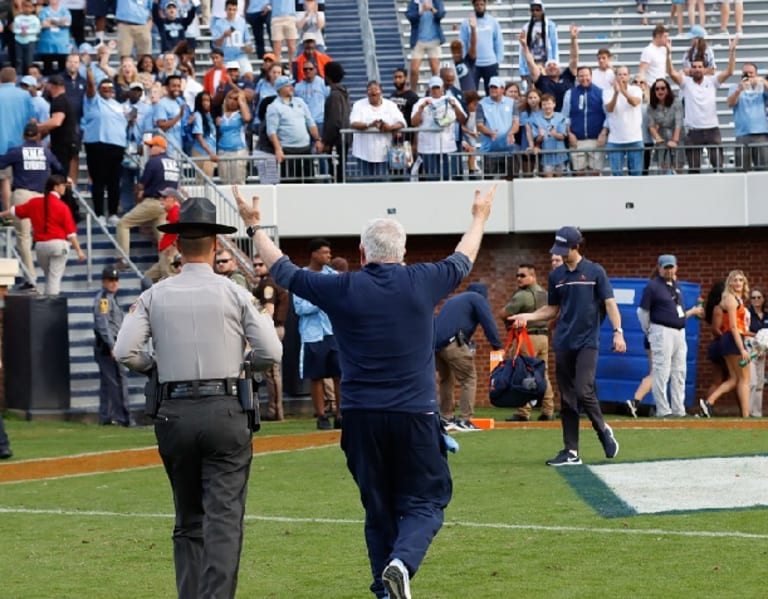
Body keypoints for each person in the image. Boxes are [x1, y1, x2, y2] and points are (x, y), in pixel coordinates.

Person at [233, 181, 497, 599]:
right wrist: (479, 215)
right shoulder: (423, 280)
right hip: (414, 415)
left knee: (378, 509)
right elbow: (464, 258)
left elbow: (282, 270)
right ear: (403, 252)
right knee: (428, 501)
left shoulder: (343, 286)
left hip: (360, 417)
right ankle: (401, 563)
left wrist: (253, 227)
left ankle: (385, 588)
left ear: (361, 254)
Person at [114, 196, 282, 599]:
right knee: (223, 520)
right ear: (216, 245)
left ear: (176, 246)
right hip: (225, 407)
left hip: (174, 411)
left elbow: (125, 352)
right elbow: (271, 353)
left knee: (188, 519)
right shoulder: (235, 293)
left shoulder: (155, 294)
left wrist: (159, 366)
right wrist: (242, 362)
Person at [509, 226, 624, 467]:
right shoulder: (556, 276)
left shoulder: (595, 272)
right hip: (563, 343)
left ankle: (602, 429)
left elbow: (610, 304)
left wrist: (618, 333)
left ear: (576, 247)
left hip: (588, 343)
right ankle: (571, 452)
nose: (559, 254)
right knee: (568, 399)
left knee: (584, 390)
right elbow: (552, 310)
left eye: (564, 249)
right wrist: (527, 317)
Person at [636, 255, 703, 418]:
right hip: (662, 330)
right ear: (659, 268)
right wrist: (649, 330)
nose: (669, 270)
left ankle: (678, 409)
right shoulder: (652, 287)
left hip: (679, 332)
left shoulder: (676, 286)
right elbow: (642, 312)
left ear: (676, 267)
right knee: (662, 370)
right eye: (666, 267)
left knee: (680, 371)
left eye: (671, 267)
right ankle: (663, 410)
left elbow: (677, 311)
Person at [0, 173, 85, 295]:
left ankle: (46, 301)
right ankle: (50, 306)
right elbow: (71, 233)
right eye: (62, 185)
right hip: (58, 245)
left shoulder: (34, 203)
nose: (64, 188)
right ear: (55, 187)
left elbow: (14, 211)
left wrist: (1, 214)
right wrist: (79, 251)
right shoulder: (62, 206)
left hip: (41, 246)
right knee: (54, 279)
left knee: (49, 277)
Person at [435, 282, 502, 431]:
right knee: (469, 378)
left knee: (446, 379)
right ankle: (465, 420)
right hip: (453, 343)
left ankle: (446, 418)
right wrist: (497, 346)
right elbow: (488, 323)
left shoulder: (454, 299)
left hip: (435, 346)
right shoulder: (477, 299)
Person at [290, 237, 342, 430]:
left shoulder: (333, 275)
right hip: (312, 334)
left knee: (340, 374)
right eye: (325, 252)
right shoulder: (301, 277)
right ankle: (321, 416)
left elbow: (340, 300)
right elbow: (300, 308)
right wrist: (322, 301)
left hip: (333, 332)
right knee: (316, 376)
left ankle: (341, 414)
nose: (329, 256)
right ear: (314, 254)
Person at [667, 36, 737, 174]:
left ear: (705, 69)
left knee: (718, 167)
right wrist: (668, 54)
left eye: (700, 67)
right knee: (694, 169)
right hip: (693, 131)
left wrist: (732, 52)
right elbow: (670, 72)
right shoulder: (686, 83)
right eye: (694, 67)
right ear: (691, 69)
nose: (697, 69)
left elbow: (730, 72)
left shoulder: (712, 81)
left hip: (712, 129)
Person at [503, 263, 555, 422]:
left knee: (523, 372)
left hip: (527, 337)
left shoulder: (522, 295)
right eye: (517, 275)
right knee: (542, 373)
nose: (518, 278)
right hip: (543, 337)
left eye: (522, 275)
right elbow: (553, 315)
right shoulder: (545, 293)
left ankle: (523, 411)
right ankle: (548, 410)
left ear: (533, 276)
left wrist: (510, 328)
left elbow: (504, 313)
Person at [116, 135, 177, 265]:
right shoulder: (173, 162)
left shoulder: (153, 162)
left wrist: (140, 191)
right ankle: (169, 262)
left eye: (152, 146)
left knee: (123, 224)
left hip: (154, 201)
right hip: (167, 204)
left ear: (161, 148)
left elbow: (142, 184)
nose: (150, 149)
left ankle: (123, 259)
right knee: (162, 236)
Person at [699, 269, 752, 418]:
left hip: (733, 338)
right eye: (734, 280)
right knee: (744, 379)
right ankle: (746, 416)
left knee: (735, 379)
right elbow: (733, 326)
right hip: (732, 339)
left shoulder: (738, 299)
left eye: (741, 280)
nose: (738, 283)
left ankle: (709, 402)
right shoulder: (730, 299)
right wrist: (742, 349)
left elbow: (740, 327)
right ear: (729, 283)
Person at [82, 68, 128, 224]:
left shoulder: (118, 105)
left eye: (110, 88)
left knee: (114, 181)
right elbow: (90, 87)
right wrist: (89, 72)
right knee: (99, 181)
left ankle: (113, 213)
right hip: (97, 143)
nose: (107, 91)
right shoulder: (93, 101)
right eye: (104, 88)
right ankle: (100, 213)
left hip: (117, 145)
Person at [93, 265, 132, 426]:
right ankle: (123, 418)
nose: (114, 283)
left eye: (116, 280)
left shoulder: (110, 298)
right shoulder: (104, 299)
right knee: (117, 381)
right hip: (108, 347)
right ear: (104, 281)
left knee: (107, 383)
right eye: (110, 280)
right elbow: (103, 324)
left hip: (108, 345)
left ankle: (105, 417)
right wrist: (112, 346)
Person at [252, 254, 289, 420]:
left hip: (272, 328)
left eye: (261, 264)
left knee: (272, 373)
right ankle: (276, 410)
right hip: (276, 327)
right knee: (272, 372)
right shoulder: (272, 281)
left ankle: (275, 410)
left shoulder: (268, 283)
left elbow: (269, 310)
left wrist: (256, 321)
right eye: (255, 265)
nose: (257, 267)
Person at [410, 76, 466, 181]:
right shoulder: (420, 102)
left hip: (447, 147)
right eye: (433, 88)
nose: (435, 90)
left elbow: (463, 120)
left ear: (442, 88)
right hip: (427, 149)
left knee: (449, 179)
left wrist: (455, 107)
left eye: (437, 87)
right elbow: (414, 122)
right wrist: (421, 108)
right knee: (432, 181)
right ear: (429, 89)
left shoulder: (451, 99)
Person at [265, 75, 319, 181]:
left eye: (291, 85)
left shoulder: (300, 102)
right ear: (280, 89)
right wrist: (278, 149)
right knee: (290, 183)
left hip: (305, 149)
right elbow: (272, 131)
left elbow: (310, 122)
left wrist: (317, 139)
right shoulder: (274, 107)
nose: (291, 87)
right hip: (288, 150)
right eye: (287, 86)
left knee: (310, 181)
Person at [350, 80, 406, 180]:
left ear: (381, 91)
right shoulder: (358, 105)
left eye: (376, 89)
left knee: (382, 186)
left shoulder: (390, 105)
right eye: (370, 90)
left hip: (383, 154)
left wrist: (390, 127)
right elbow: (353, 123)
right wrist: (369, 124)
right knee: (365, 186)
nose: (373, 92)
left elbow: (401, 122)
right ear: (367, 93)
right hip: (363, 153)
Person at [518, 24, 577, 112]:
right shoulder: (542, 80)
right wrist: (525, 46)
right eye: (549, 65)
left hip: (567, 116)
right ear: (545, 70)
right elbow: (530, 63)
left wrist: (573, 39)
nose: (552, 67)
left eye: (554, 65)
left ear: (560, 69)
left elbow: (574, 58)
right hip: (546, 117)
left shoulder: (568, 76)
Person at [562, 66, 608, 177]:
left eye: (586, 75)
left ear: (591, 76)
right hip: (577, 140)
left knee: (595, 173)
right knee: (579, 173)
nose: (584, 78)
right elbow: (565, 116)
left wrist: (603, 133)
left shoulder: (601, 93)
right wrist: (569, 134)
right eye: (581, 76)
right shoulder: (570, 93)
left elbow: (608, 115)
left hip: (596, 139)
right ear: (577, 78)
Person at [727, 62, 768, 171]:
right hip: (742, 134)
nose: (748, 75)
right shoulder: (735, 87)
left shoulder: (762, 88)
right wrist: (738, 90)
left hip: (760, 134)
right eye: (746, 73)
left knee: (763, 170)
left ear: (756, 74)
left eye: (751, 73)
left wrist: (764, 82)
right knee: (742, 170)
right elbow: (730, 104)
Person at [603, 65, 643, 176]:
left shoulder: (636, 89)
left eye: (625, 74)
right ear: (615, 76)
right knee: (616, 175)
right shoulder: (608, 92)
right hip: (615, 140)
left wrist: (623, 90)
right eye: (619, 74)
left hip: (634, 138)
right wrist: (616, 93)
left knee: (636, 174)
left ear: (629, 76)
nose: (622, 77)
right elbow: (609, 109)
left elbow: (634, 102)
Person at [476, 76, 518, 179]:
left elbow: (516, 123)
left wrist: (511, 133)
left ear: (502, 89)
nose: (493, 90)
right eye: (491, 87)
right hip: (489, 151)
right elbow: (479, 125)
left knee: (510, 182)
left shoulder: (512, 103)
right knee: (489, 183)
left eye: (495, 87)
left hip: (508, 150)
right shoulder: (481, 104)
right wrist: (490, 133)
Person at [459, 0, 503, 94]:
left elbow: (498, 42)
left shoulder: (493, 21)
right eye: (477, 5)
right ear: (474, 6)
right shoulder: (466, 23)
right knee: (471, 93)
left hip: (490, 63)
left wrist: (498, 61)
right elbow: (463, 42)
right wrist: (464, 62)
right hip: (473, 65)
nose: (479, 7)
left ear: (485, 5)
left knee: (492, 94)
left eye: (482, 4)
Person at [144, 186, 184, 282]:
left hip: (169, 255)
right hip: (165, 254)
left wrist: (173, 246)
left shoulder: (176, 211)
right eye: (161, 197)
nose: (161, 200)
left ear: (173, 199)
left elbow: (182, 229)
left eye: (165, 198)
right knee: (146, 278)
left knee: (171, 281)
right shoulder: (172, 212)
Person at [405, 0, 445, 92]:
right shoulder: (415, 2)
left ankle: (437, 92)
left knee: (435, 70)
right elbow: (410, 17)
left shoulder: (436, 1)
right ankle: (413, 92)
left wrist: (432, 8)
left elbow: (441, 14)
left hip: (434, 40)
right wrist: (421, 11)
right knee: (414, 70)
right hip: (418, 40)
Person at [319, 61, 350, 182]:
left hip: (336, 142)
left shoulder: (334, 96)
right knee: (340, 172)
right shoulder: (343, 93)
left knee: (336, 174)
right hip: (343, 140)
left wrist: (327, 142)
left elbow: (334, 122)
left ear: (327, 77)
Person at [647, 78, 684, 174]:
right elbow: (651, 125)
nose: (660, 91)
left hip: (677, 135)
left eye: (663, 88)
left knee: (677, 167)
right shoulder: (651, 106)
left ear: (667, 90)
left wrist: (675, 141)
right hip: (662, 136)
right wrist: (657, 137)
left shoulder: (676, 102)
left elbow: (678, 122)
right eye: (657, 89)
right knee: (663, 168)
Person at [519, 1, 558, 87]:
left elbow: (554, 46)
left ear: (542, 11)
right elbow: (522, 49)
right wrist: (522, 69)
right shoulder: (526, 27)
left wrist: (555, 64)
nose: (535, 12)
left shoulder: (550, 26)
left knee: (547, 87)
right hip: (531, 62)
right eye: (533, 10)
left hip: (545, 63)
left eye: (537, 10)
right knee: (532, 89)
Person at [217, 87, 252, 183]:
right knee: (224, 180)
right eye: (230, 98)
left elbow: (247, 118)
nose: (232, 101)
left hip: (238, 150)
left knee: (238, 180)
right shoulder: (221, 115)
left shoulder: (240, 114)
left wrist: (241, 102)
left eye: (235, 99)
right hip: (223, 150)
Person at [212, 0, 255, 76]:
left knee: (249, 76)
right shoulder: (219, 24)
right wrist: (223, 36)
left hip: (240, 56)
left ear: (237, 10)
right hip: (225, 58)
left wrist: (246, 48)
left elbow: (248, 42)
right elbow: (216, 44)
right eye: (230, 9)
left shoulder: (242, 22)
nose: (232, 12)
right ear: (225, 9)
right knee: (225, 79)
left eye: (234, 9)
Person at [529, 92, 567, 177]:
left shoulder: (560, 117)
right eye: (544, 104)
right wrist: (541, 136)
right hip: (547, 157)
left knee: (560, 181)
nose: (547, 106)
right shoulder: (537, 120)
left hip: (560, 155)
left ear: (554, 104)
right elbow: (537, 140)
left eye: (549, 104)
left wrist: (554, 134)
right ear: (541, 106)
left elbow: (563, 136)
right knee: (548, 181)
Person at [37, 0, 71, 76]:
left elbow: (67, 23)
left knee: (63, 68)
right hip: (47, 43)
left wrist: (51, 21)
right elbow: (43, 24)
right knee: (47, 68)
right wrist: (60, 21)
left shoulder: (65, 11)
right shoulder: (44, 11)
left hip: (62, 44)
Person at [748, 287, 766, 417]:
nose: (756, 300)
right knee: (751, 382)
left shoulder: (767, 315)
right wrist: (759, 336)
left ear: (763, 299)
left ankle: (757, 413)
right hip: (750, 348)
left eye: (758, 297)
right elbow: (743, 330)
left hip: (763, 351)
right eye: (753, 298)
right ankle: (747, 411)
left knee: (760, 383)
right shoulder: (747, 314)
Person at [13, 0, 41, 77]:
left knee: (29, 61)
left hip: (30, 41)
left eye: (29, 7)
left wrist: (27, 32)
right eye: (25, 7)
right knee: (18, 60)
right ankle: (18, 77)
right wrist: (20, 32)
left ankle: (29, 77)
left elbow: (37, 29)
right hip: (19, 41)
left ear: (33, 8)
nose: (27, 9)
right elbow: (15, 29)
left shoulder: (35, 19)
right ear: (21, 8)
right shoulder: (18, 18)